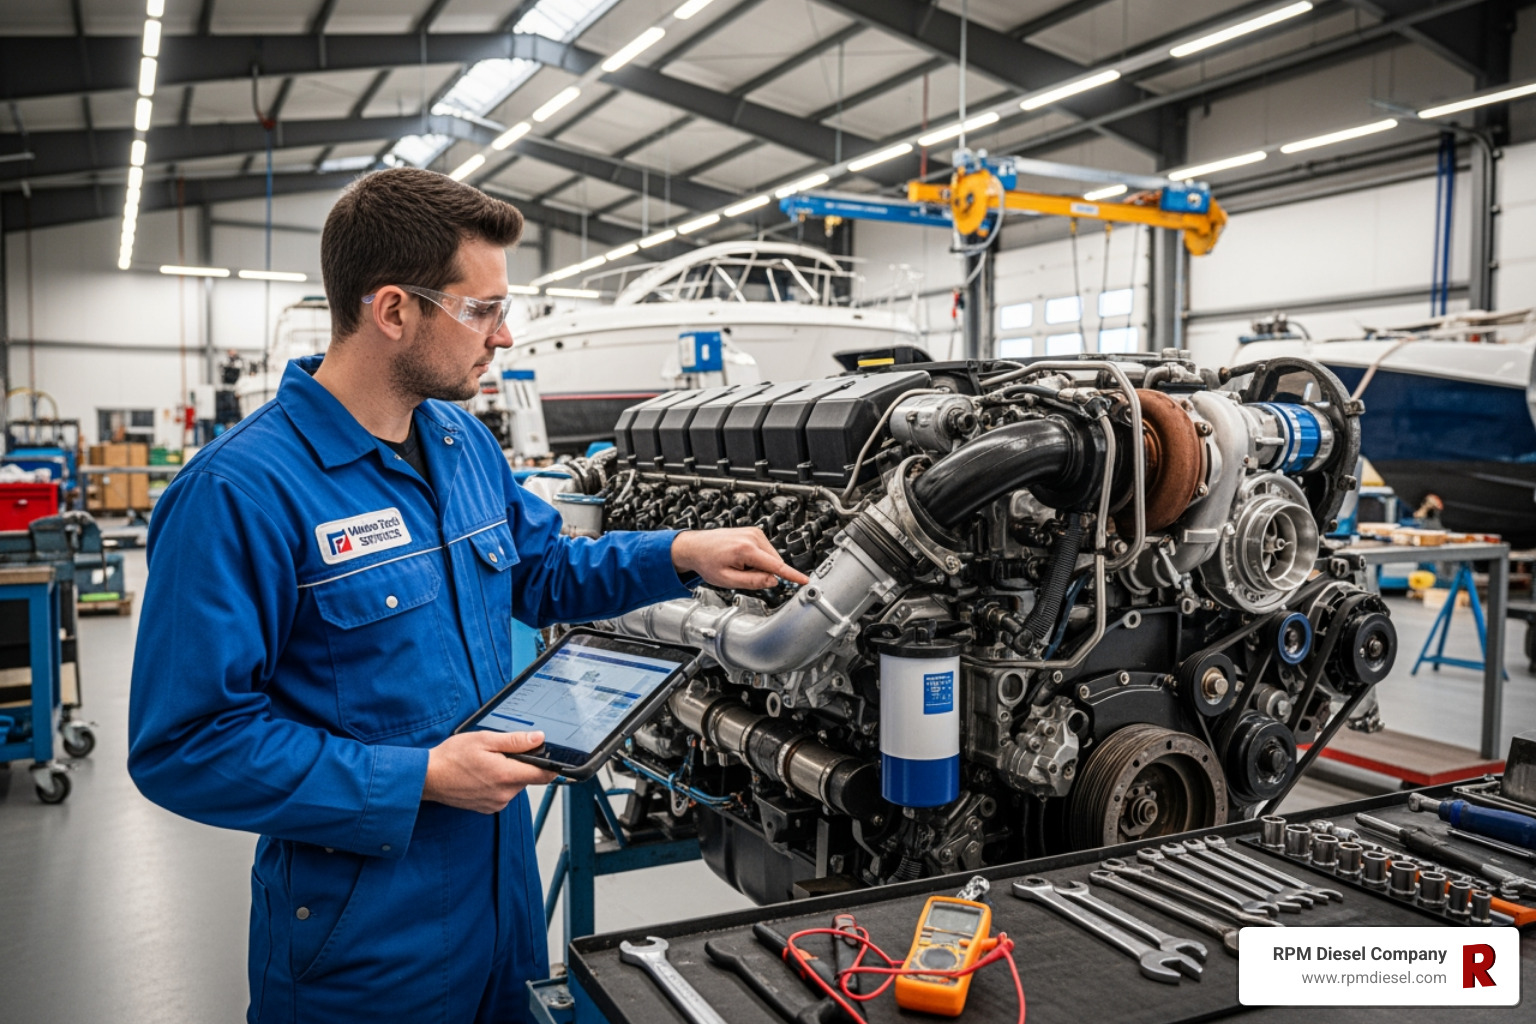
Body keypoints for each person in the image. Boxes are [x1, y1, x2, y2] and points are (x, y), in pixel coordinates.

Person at [127, 167, 809, 1024]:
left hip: (502, 898)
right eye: (481, 310)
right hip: (364, 939)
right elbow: (185, 745)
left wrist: (679, 552)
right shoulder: (241, 494)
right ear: (393, 311)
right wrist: (416, 778)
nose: (506, 334)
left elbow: (540, 572)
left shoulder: (459, 443)